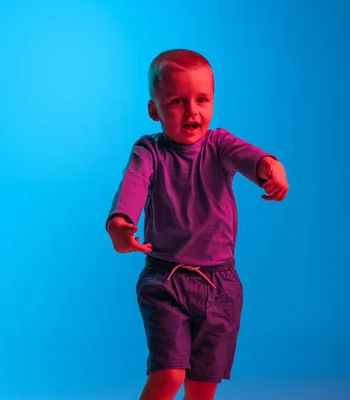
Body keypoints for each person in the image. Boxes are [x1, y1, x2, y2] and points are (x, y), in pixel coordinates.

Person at [105, 49, 289, 400]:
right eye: (177, 102)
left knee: (203, 386)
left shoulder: (219, 144)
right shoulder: (150, 151)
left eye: (202, 99)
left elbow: (249, 157)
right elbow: (133, 183)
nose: (193, 111)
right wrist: (120, 222)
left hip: (219, 284)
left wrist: (269, 167)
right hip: (166, 281)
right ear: (154, 110)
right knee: (169, 373)